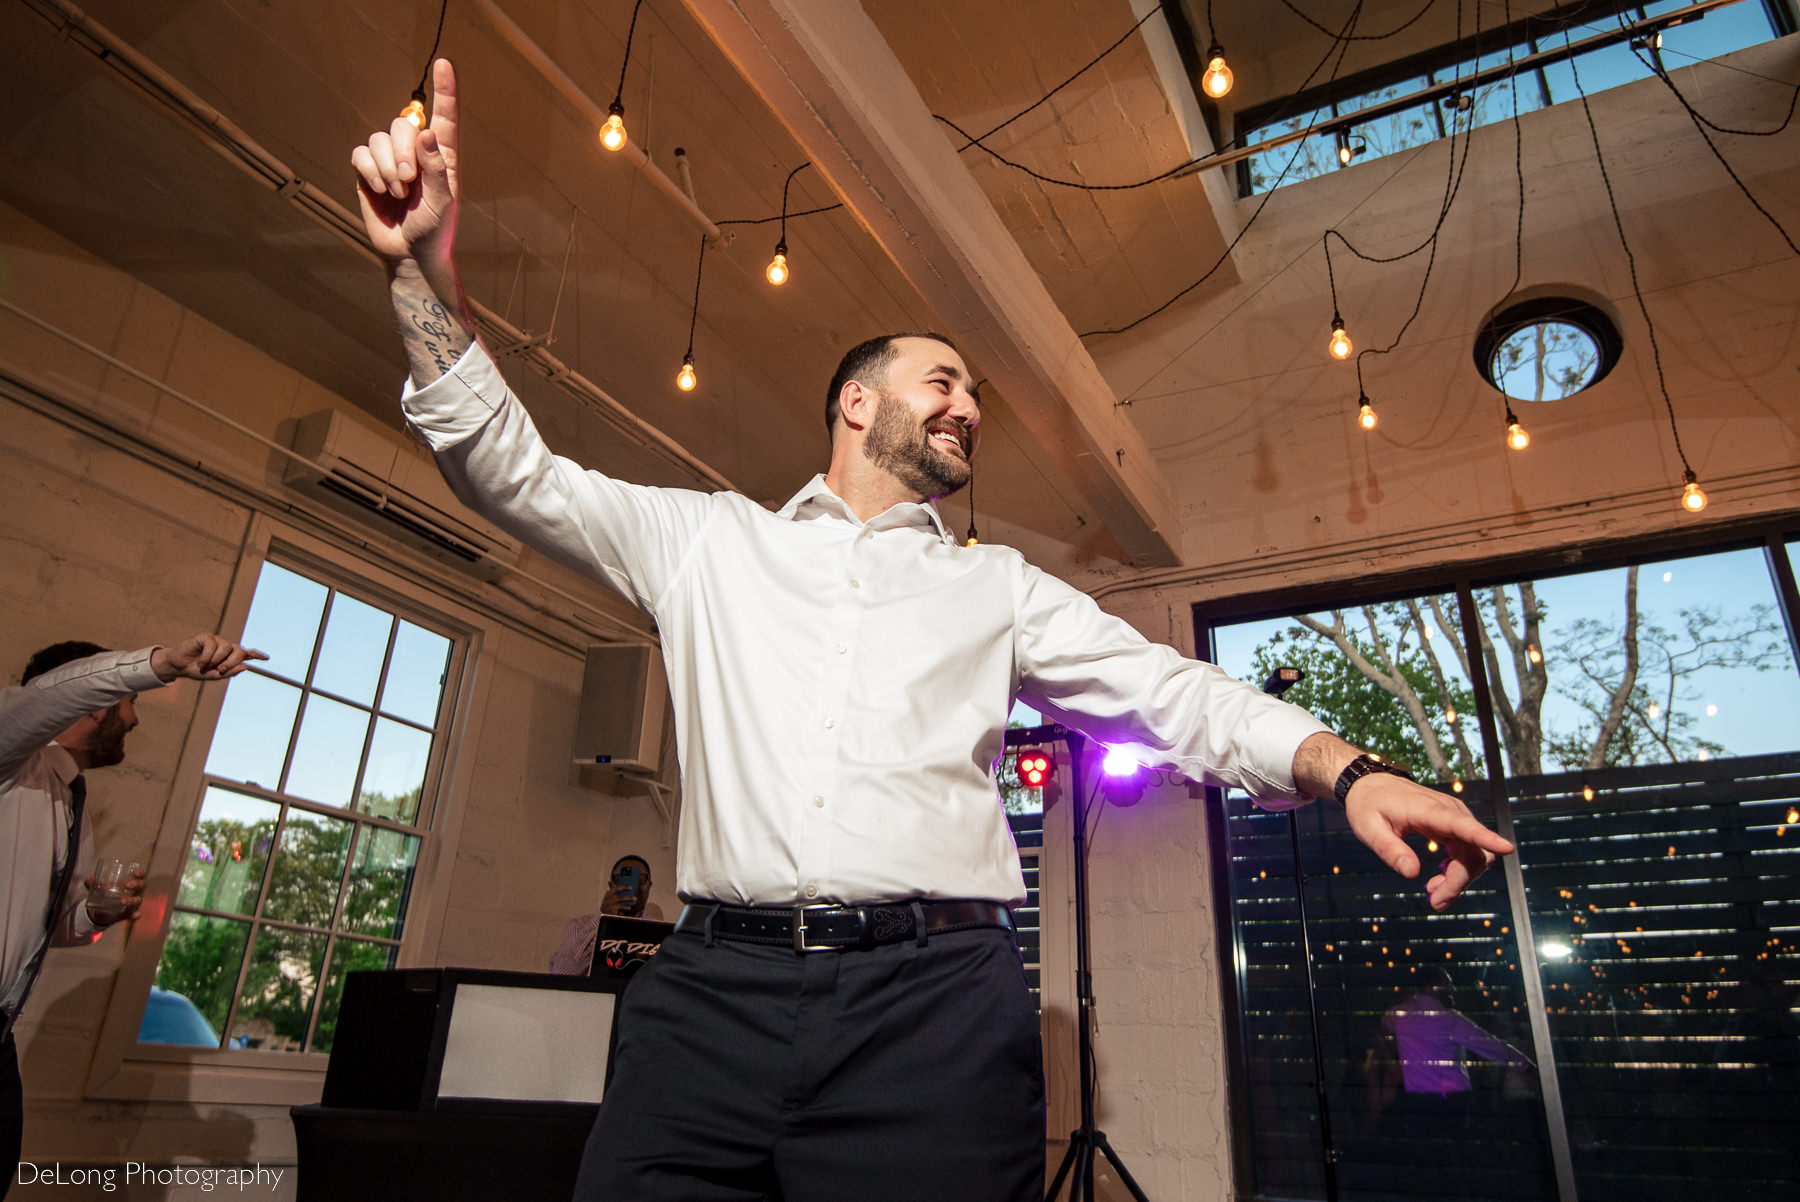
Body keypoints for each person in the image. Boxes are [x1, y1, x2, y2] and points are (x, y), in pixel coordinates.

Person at [351, 60, 1516, 1202]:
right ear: (857, 401)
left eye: (973, 397)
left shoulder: (996, 586)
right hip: (709, 996)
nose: (968, 405)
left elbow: (1176, 694)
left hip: (934, 1009)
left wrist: (1346, 768)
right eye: (943, 380)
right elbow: (504, 467)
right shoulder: (706, 540)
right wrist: (419, 270)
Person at [0, 635, 262, 1196]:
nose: (135, 721)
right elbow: (43, 699)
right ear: (90, 700)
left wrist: (96, 914)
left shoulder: (70, 798)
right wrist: (161, 664)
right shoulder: (9, 756)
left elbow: (50, 927)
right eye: (128, 702)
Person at [547, 854, 660, 975]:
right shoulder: (580, 926)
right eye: (624, 878)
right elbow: (560, 974)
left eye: (641, 879)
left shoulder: (658, 931)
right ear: (611, 885)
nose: (633, 886)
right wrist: (602, 919)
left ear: (649, 886)